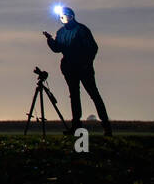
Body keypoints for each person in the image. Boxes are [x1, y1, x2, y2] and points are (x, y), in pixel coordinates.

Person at [42, 7, 113, 136]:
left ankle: (107, 127)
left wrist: (86, 63)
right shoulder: (61, 32)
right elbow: (57, 48)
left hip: (84, 68)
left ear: (71, 17)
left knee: (94, 95)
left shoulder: (82, 30)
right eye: (61, 17)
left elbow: (93, 48)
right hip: (69, 68)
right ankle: (76, 127)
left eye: (64, 17)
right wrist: (50, 40)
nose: (62, 20)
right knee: (74, 96)